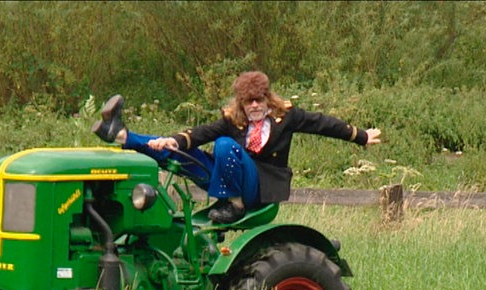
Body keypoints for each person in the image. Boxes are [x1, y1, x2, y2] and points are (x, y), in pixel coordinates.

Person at [92, 71, 382, 223]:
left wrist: (361, 136)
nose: (254, 106)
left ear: (267, 99)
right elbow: (200, 133)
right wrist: (174, 140)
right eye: (248, 101)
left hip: (258, 187)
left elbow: (324, 124)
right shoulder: (233, 120)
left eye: (259, 100)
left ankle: (235, 206)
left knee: (225, 146)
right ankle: (121, 135)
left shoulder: (287, 116)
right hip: (227, 179)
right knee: (179, 154)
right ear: (242, 103)